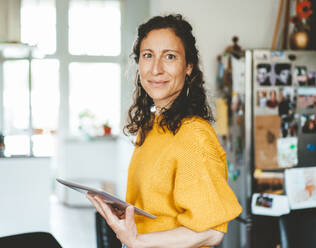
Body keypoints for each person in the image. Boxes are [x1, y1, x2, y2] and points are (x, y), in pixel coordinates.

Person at [86, 14, 242, 248]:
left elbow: (211, 231)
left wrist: (138, 240)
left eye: (169, 56)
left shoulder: (194, 135)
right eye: (148, 55)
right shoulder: (150, 127)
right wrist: (130, 217)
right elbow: (160, 210)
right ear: (138, 63)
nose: (156, 69)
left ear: (188, 66)